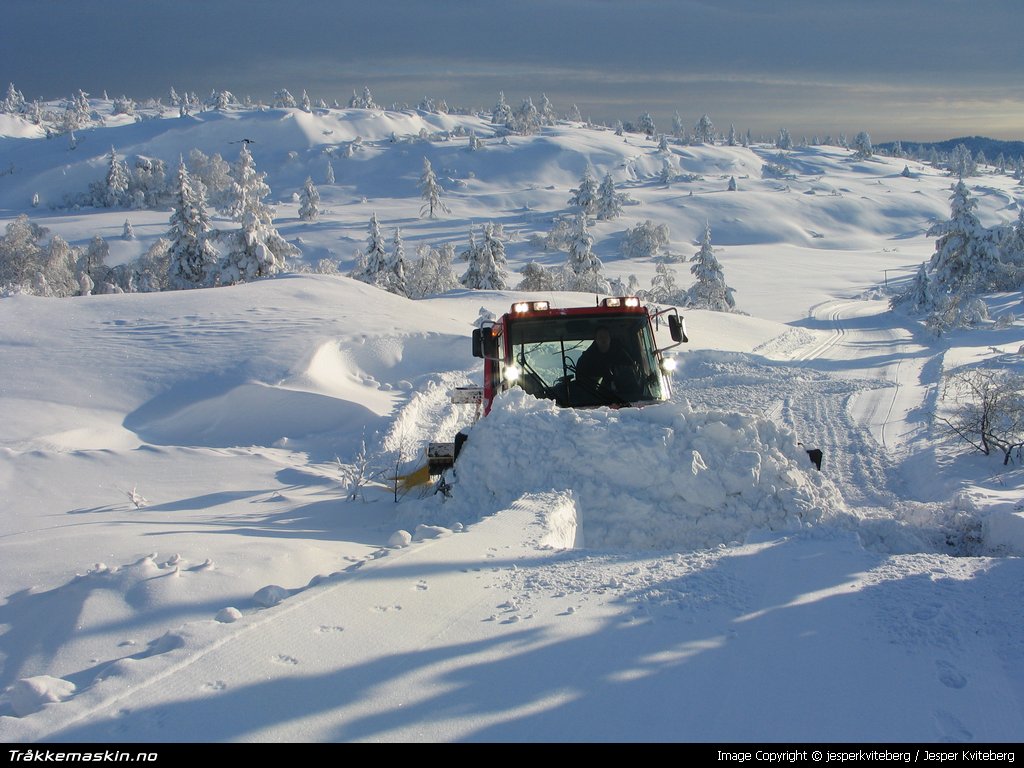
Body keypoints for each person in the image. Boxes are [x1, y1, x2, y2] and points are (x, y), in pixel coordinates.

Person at [574, 327, 637, 399]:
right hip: (592, 401)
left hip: (627, 399)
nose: (603, 339)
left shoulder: (623, 356)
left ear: (610, 338)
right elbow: (581, 384)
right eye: (600, 337)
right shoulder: (585, 360)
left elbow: (633, 375)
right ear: (596, 340)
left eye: (606, 336)